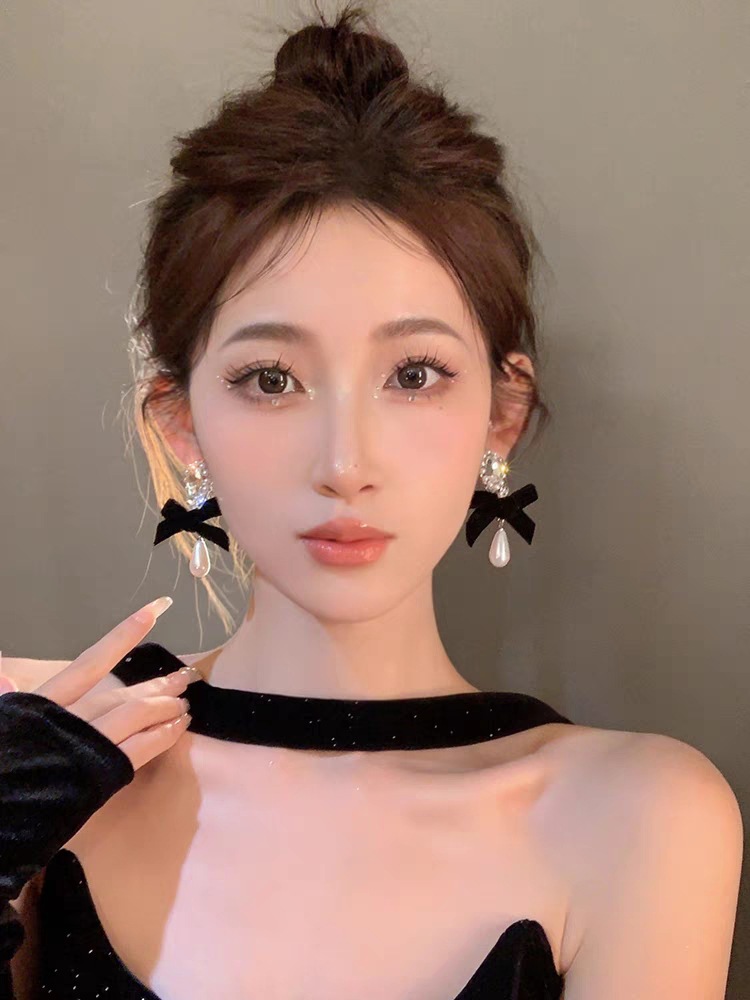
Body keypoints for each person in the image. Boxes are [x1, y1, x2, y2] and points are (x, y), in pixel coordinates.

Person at [0, 4, 742, 999]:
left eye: (415, 374)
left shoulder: (638, 817)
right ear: (181, 423)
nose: (345, 463)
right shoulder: (56, 769)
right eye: (272, 379)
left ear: (502, 412)